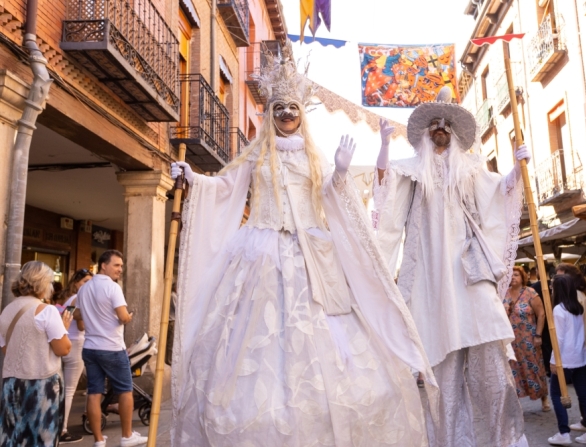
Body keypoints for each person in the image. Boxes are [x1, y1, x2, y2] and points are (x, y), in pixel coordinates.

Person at [169, 44, 437, 446]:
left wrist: (341, 174)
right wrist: (194, 178)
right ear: (271, 114)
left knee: (324, 341)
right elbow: (226, 187)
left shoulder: (315, 159)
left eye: (293, 108)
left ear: (301, 113)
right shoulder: (256, 157)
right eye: (280, 109)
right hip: (258, 254)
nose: (287, 115)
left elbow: (330, 196)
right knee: (256, 343)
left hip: (313, 257)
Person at [373, 91, 529, 446]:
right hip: (429, 281)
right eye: (435, 125)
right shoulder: (410, 171)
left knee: (491, 361)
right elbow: (386, 196)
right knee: (440, 379)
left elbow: (498, 192)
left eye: (446, 125)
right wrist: (383, 148)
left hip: (469, 274)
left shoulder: (471, 168)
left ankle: (507, 440)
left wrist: (517, 170)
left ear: (454, 132)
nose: (440, 130)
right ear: (426, 134)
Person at [77, 250, 147, 447]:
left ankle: (99, 440)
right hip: (111, 348)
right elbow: (123, 317)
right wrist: (129, 316)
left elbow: (78, 315)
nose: (120, 269)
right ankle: (127, 436)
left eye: (121, 266)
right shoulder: (112, 288)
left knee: (94, 392)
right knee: (125, 390)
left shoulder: (84, 289)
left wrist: (93, 317)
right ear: (103, 266)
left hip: (90, 347)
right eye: (116, 265)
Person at [0, 261, 73, 446]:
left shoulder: (6, 311)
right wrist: (63, 328)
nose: (50, 287)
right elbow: (63, 348)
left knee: (12, 436)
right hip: (41, 386)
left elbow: (7, 349)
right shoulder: (46, 311)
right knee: (42, 439)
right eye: (49, 282)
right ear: (40, 282)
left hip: (11, 384)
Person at [547, 275, 586, 446]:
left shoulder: (558, 310)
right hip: (581, 357)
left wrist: (554, 360)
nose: (550, 289)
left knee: (556, 394)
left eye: (552, 286)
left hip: (565, 358)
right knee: (585, 395)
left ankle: (563, 433)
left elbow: (559, 339)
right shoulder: (577, 307)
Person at [555, 263, 586, 429]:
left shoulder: (572, 299)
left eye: (560, 276)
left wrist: (555, 359)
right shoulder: (577, 297)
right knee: (585, 390)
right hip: (580, 350)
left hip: (574, 351)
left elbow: (566, 334)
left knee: (580, 391)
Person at [504, 266, 550, 411]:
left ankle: (543, 398)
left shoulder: (530, 293)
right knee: (514, 370)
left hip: (529, 338)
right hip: (511, 340)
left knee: (534, 367)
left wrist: (538, 334)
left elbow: (541, 314)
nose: (513, 278)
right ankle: (517, 402)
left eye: (516, 275)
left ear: (522, 277)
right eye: (511, 275)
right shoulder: (504, 294)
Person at [56, 268, 93, 444]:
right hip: (76, 345)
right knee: (69, 390)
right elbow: (81, 326)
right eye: (85, 281)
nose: (88, 285)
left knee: (66, 389)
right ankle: (62, 430)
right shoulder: (79, 298)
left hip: (65, 343)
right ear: (77, 282)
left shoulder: (69, 297)